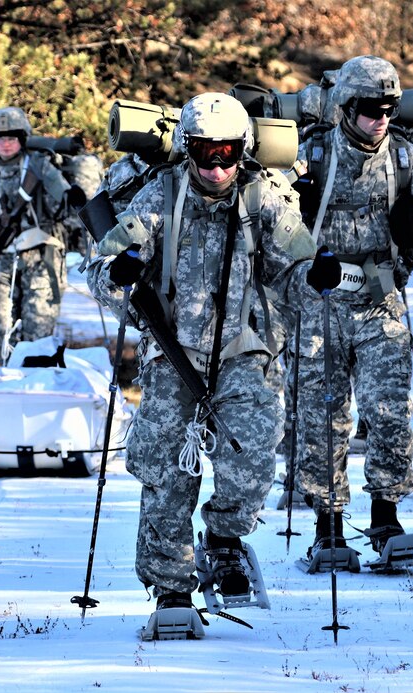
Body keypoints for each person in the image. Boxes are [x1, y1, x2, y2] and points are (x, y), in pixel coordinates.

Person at [87, 92, 315, 625]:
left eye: (229, 153)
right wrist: (118, 274)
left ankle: (224, 538)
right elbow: (102, 264)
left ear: (245, 150)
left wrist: (320, 273)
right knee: (164, 471)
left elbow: (297, 263)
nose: (218, 167)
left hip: (245, 349)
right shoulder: (161, 196)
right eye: (206, 153)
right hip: (172, 352)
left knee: (254, 457)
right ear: (187, 149)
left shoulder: (264, 198)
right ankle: (170, 587)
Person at [287, 55, 413, 568]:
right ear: (345, 108)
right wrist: (299, 225)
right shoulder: (310, 155)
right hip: (322, 300)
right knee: (323, 416)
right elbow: (270, 218)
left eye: (388, 108)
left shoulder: (404, 158)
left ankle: (386, 513)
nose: (380, 118)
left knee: (388, 408)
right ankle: (327, 524)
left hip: (380, 297)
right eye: (368, 109)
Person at [0, 106, 76, 366]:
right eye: (1, 138)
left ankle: (34, 377)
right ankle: (10, 372)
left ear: (22, 140)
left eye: (12, 138)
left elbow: (67, 206)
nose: (6, 144)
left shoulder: (39, 166)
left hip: (42, 252)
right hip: (2, 254)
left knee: (38, 328)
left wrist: (73, 197)